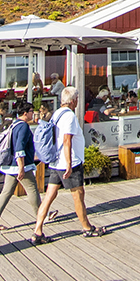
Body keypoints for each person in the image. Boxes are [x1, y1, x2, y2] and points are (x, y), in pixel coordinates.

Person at [31, 86, 105, 244]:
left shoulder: (56, 113)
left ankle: (37, 230)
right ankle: (87, 227)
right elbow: (67, 140)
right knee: (78, 195)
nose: (78, 101)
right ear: (73, 101)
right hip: (68, 162)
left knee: (49, 196)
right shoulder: (70, 116)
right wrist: (70, 164)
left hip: (56, 162)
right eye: (77, 98)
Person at [0, 101, 39, 232]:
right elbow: (19, 148)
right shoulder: (23, 126)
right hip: (21, 165)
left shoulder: (14, 124)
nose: (33, 114)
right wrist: (21, 167)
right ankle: (41, 215)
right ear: (25, 113)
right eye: (31, 111)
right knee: (32, 190)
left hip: (10, 165)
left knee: (6, 192)